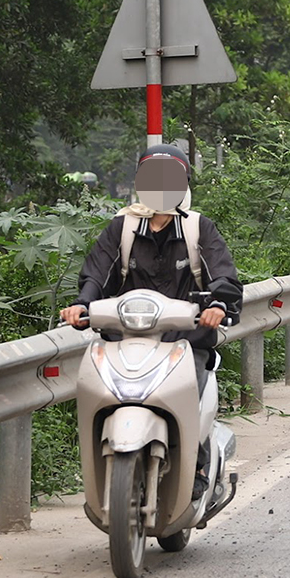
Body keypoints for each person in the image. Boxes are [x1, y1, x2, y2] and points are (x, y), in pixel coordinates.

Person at [62, 144, 242, 497]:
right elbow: (97, 274)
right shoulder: (122, 229)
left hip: (185, 340)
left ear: (184, 182)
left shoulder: (197, 229)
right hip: (127, 340)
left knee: (193, 383)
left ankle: (199, 465)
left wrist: (218, 304)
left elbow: (224, 275)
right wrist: (82, 305)